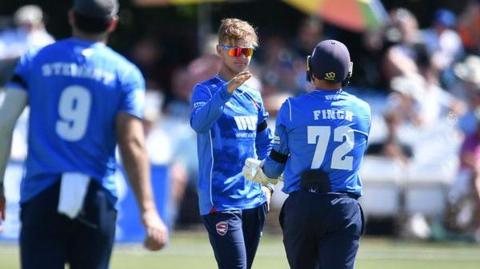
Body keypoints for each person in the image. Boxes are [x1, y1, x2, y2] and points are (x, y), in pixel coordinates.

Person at [0, 0, 168, 268]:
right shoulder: (125, 72)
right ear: (112, 23)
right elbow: (132, 142)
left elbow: (4, 123)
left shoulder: (35, 59)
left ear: (72, 17)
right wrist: (148, 210)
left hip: (42, 192)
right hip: (96, 195)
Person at [244, 40, 371, 269]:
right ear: (348, 71)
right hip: (343, 206)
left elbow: (274, 168)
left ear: (311, 69)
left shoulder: (292, 108)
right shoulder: (363, 110)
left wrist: (260, 172)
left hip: (302, 208)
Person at [190, 18, 273, 269]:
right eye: (235, 50)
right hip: (221, 200)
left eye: (247, 50)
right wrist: (225, 92)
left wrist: (267, 185)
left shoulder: (254, 96)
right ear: (219, 51)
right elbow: (199, 124)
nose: (242, 56)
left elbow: (264, 143)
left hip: (253, 200)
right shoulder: (204, 91)